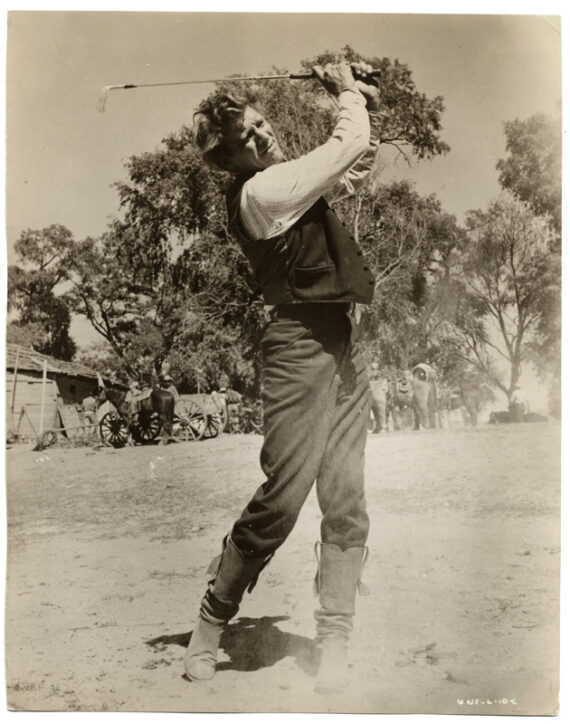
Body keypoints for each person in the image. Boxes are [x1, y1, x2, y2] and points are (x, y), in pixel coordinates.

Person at [185, 61, 381, 694]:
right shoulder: (260, 193)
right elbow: (346, 145)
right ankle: (210, 624)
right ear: (229, 157)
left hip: (341, 338)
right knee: (282, 501)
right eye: (249, 136)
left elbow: (353, 161)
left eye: (262, 123)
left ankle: (336, 638)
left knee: (345, 495)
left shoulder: (282, 180)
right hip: (297, 345)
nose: (264, 135)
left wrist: (354, 93)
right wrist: (347, 93)